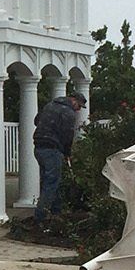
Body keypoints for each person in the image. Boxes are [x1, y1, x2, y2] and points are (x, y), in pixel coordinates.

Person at [31, 91, 86, 223]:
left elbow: (36, 121)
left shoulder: (50, 105)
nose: (78, 110)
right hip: (52, 148)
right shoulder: (68, 113)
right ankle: (40, 217)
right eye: (79, 106)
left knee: (48, 180)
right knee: (51, 182)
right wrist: (67, 153)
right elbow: (68, 134)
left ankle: (56, 211)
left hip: (39, 147)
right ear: (74, 100)